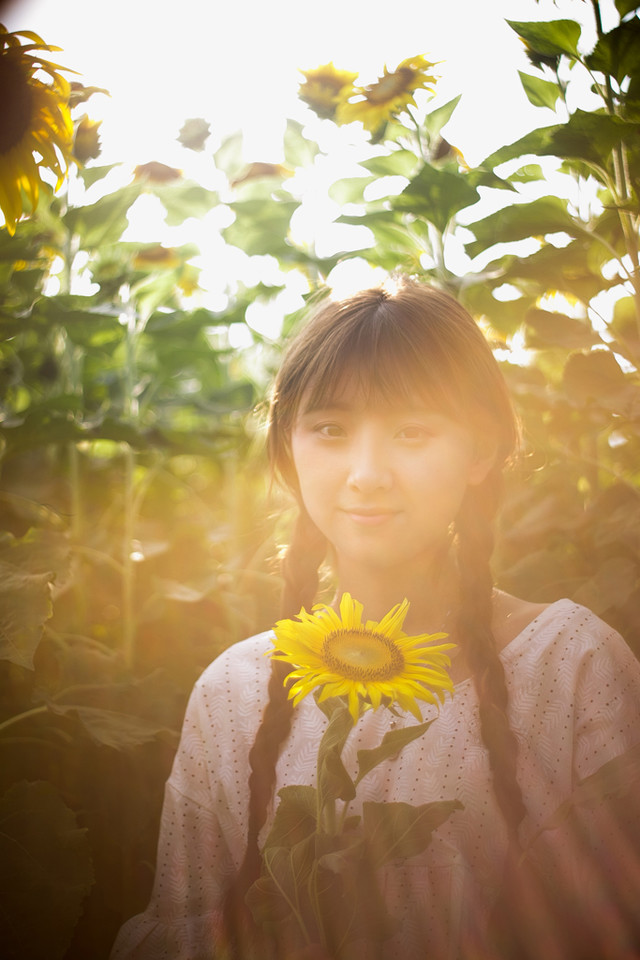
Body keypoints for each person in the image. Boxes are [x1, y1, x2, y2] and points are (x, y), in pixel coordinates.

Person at [111, 279, 640, 960]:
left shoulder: (572, 666)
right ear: (287, 450)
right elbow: (185, 934)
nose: (366, 473)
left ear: (481, 451)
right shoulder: (234, 694)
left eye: (412, 431)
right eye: (330, 429)